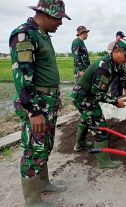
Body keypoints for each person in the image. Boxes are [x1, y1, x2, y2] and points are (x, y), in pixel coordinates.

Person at [9, 0, 70, 206]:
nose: (60, 23)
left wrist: (56, 96)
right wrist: (34, 111)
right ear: (45, 14)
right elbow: (22, 77)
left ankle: (43, 183)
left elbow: (45, 71)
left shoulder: (43, 35)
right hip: (36, 103)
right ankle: (33, 201)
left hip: (48, 101)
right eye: (58, 18)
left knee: (45, 145)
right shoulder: (25, 35)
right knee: (34, 149)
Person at [71, 39, 126, 169]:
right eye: (125, 56)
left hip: (86, 96)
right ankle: (104, 162)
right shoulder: (103, 68)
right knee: (99, 126)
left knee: (87, 119)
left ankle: (79, 144)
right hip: (84, 97)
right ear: (116, 52)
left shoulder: (117, 63)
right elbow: (97, 94)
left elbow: (123, 78)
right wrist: (115, 101)